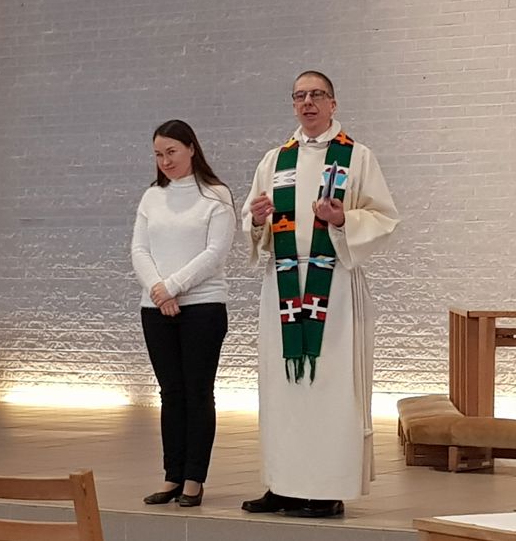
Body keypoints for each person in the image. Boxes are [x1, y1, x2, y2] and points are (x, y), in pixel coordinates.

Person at [240, 71, 400, 518]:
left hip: (335, 283)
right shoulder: (275, 160)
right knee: (282, 387)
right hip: (283, 285)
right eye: (299, 96)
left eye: (316, 95)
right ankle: (284, 485)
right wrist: (257, 219)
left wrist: (342, 219)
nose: (307, 103)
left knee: (330, 387)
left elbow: (384, 218)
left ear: (333, 103)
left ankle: (327, 488)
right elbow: (254, 220)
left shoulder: (357, 156)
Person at [131, 119, 236, 508]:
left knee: (197, 392)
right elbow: (139, 250)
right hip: (156, 307)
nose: (165, 161)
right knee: (170, 393)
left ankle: (194, 478)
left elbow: (215, 252)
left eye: (171, 152)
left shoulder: (216, 195)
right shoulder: (152, 197)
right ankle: (172, 474)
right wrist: (159, 291)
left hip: (202, 306)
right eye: (158, 154)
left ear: (191, 148)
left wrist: (172, 287)